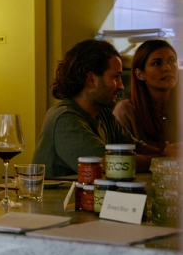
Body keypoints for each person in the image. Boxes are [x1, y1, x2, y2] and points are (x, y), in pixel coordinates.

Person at [33, 39, 166, 177]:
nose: (121, 86)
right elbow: (109, 164)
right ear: (91, 79)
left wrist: (166, 151)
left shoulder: (103, 114)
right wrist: (161, 161)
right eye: (115, 77)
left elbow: (137, 148)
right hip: (59, 192)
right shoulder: (65, 118)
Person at [113, 39, 178, 150]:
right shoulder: (126, 110)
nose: (167, 68)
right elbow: (119, 155)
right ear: (140, 74)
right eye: (157, 63)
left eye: (172, 61)